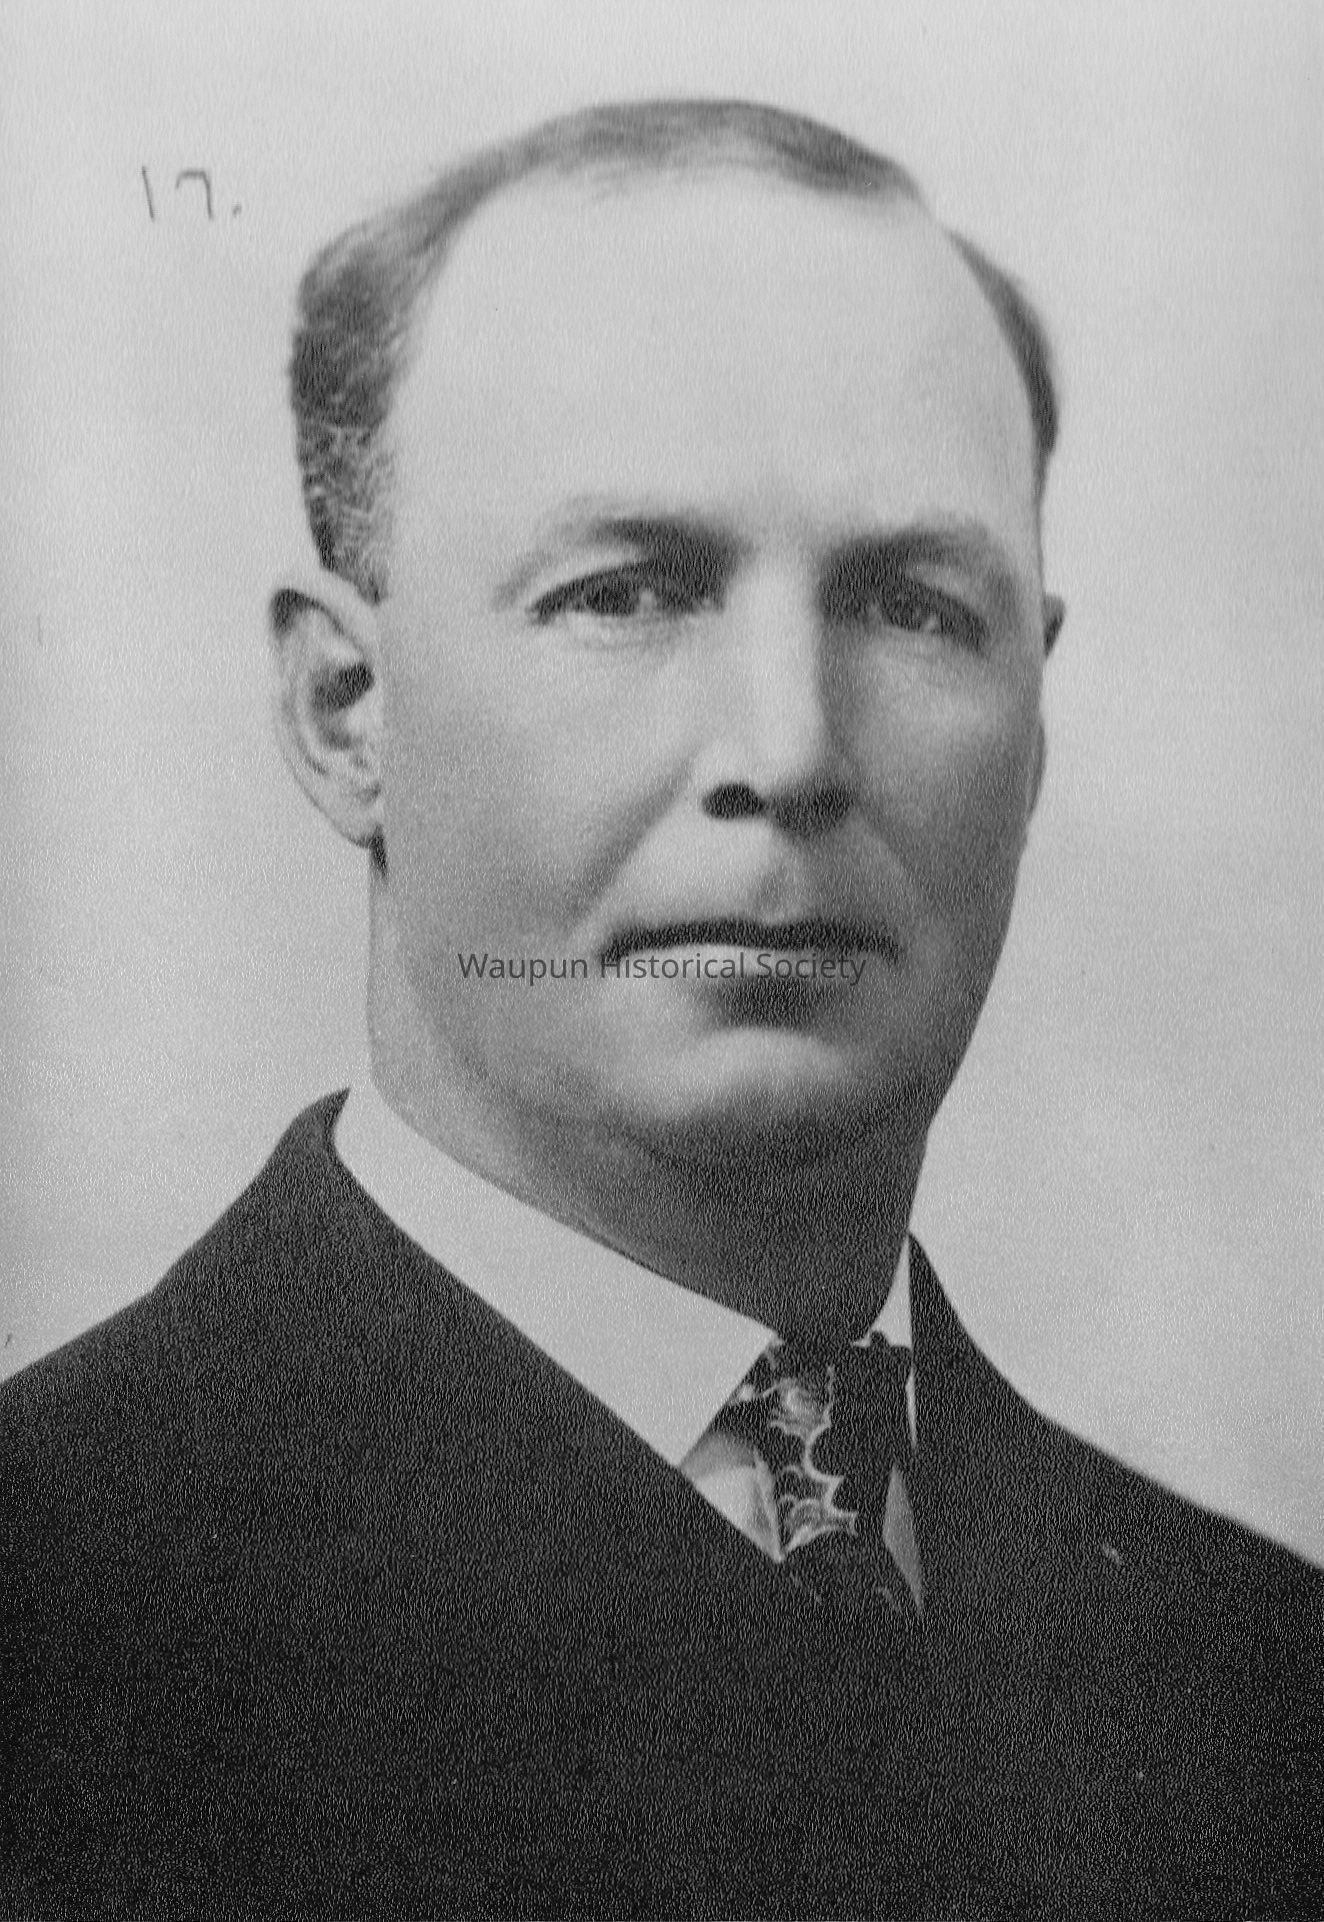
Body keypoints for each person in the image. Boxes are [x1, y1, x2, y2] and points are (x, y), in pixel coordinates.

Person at [2, 98, 1319, 1921]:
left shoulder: (1264, 1687)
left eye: (915, 607)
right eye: (625, 592)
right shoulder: (52, 1621)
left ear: (1036, 720)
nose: (790, 748)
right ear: (344, 713)